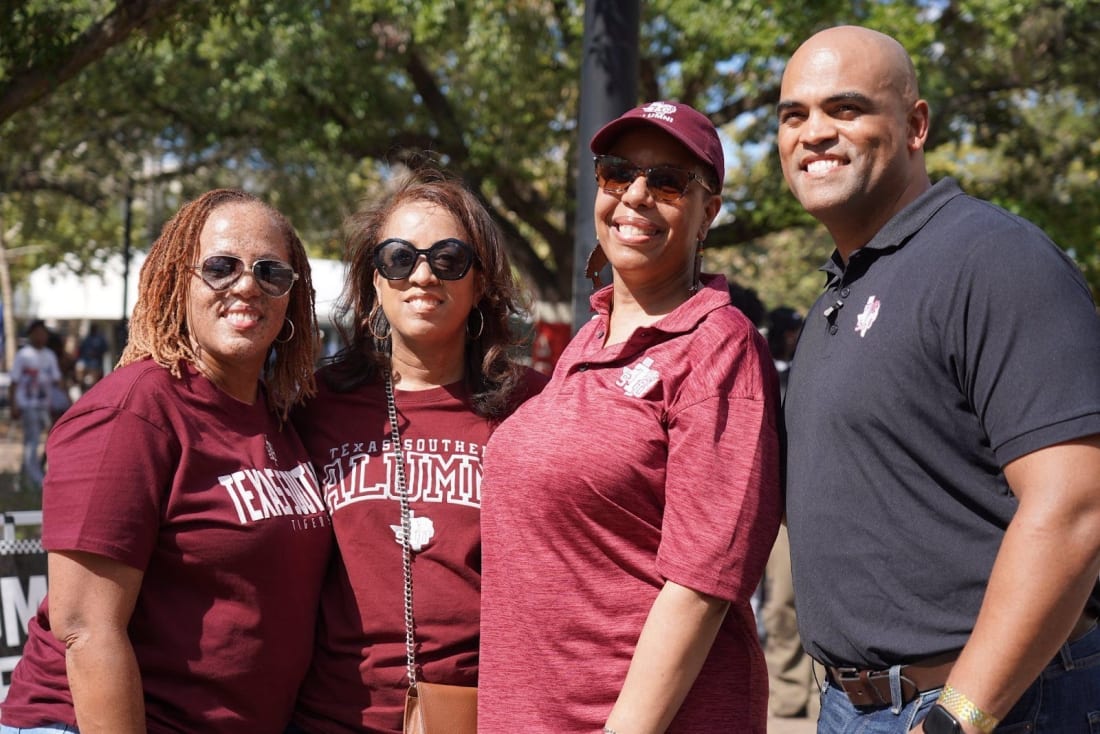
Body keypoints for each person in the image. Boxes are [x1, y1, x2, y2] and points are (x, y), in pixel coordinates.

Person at [777, 26, 1100, 734]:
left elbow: (1076, 506)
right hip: (853, 707)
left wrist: (961, 714)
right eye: (794, 115)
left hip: (991, 706)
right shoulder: (841, 290)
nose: (815, 133)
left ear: (915, 125)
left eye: (846, 108)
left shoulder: (994, 259)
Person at [478, 101, 783, 733]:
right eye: (618, 173)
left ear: (708, 213)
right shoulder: (589, 339)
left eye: (668, 182)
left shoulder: (719, 346)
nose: (636, 195)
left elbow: (702, 582)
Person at [1, 189, 333, 733]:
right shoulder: (133, 412)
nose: (247, 285)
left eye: (271, 272)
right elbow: (86, 629)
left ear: (292, 298)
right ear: (179, 281)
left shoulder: (278, 417)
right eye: (221, 267)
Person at [287, 168, 547, 733]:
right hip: (334, 718)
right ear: (374, 281)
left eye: (449, 258)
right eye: (399, 258)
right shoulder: (315, 404)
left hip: (482, 717)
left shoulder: (534, 406)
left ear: (480, 282)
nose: (423, 275)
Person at [759, 306, 817, 719]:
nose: (796, 337)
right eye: (791, 330)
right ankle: (787, 693)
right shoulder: (764, 371)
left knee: (823, 599)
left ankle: (821, 691)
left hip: (821, 500)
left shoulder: (812, 368)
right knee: (780, 602)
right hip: (779, 501)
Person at [8, 319, 61, 488]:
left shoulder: (49, 355)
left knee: (49, 440)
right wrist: (14, 405)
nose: (41, 337)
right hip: (28, 405)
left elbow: (58, 381)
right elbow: (14, 382)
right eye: (38, 333)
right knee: (32, 441)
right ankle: (35, 480)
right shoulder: (23, 355)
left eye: (43, 333)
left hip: (45, 405)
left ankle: (26, 477)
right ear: (31, 334)